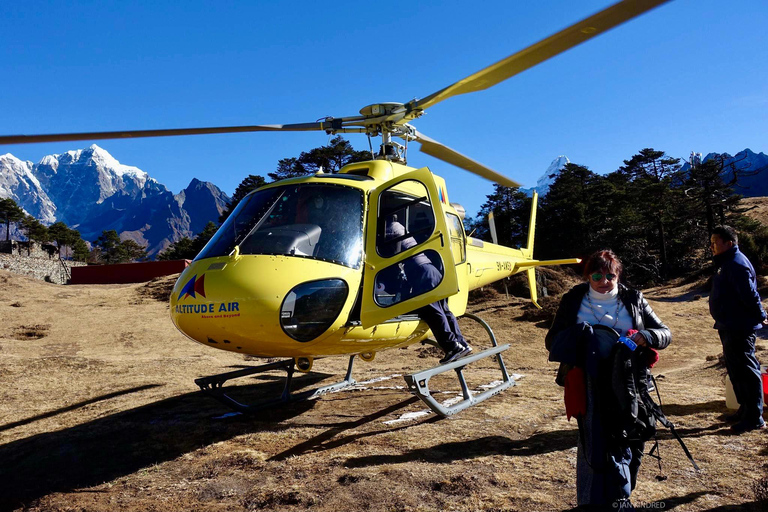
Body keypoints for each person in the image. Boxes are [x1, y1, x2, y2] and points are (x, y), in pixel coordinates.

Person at [545, 250, 671, 509]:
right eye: (597, 275)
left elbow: (665, 333)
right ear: (588, 276)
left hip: (630, 379)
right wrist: (581, 336)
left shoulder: (633, 298)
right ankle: (590, 502)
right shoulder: (573, 299)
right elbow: (552, 341)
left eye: (610, 275)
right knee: (593, 442)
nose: (604, 280)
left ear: (618, 275)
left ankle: (620, 498)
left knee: (632, 436)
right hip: (587, 380)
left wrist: (646, 336)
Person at [384, 215, 472, 364]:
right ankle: (461, 343)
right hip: (431, 270)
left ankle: (452, 347)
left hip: (422, 273)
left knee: (433, 311)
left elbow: (391, 254)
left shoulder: (390, 229)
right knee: (444, 309)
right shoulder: (401, 227)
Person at [709, 225, 767, 434]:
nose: (712, 246)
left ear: (729, 243)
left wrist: (761, 315)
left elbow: (750, 295)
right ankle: (744, 408)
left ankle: (754, 417)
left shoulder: (736, 264)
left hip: (740, 325)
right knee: (735, 368)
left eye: (716, 242)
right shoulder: (725, 263)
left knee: (746, 369)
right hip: (728, 324)